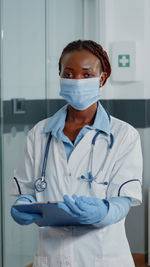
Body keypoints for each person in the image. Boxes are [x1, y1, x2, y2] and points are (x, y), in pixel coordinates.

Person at [10, 40, 143, 267]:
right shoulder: (38, 134)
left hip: (103, 258)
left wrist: (104, 212)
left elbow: (123, 200)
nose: (77, 81)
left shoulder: (124, 135)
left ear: (101, 78)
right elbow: (28, 192)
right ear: (60, 76)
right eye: (69, 74)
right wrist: (24, 205)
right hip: (52, 258)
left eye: (86, 74)